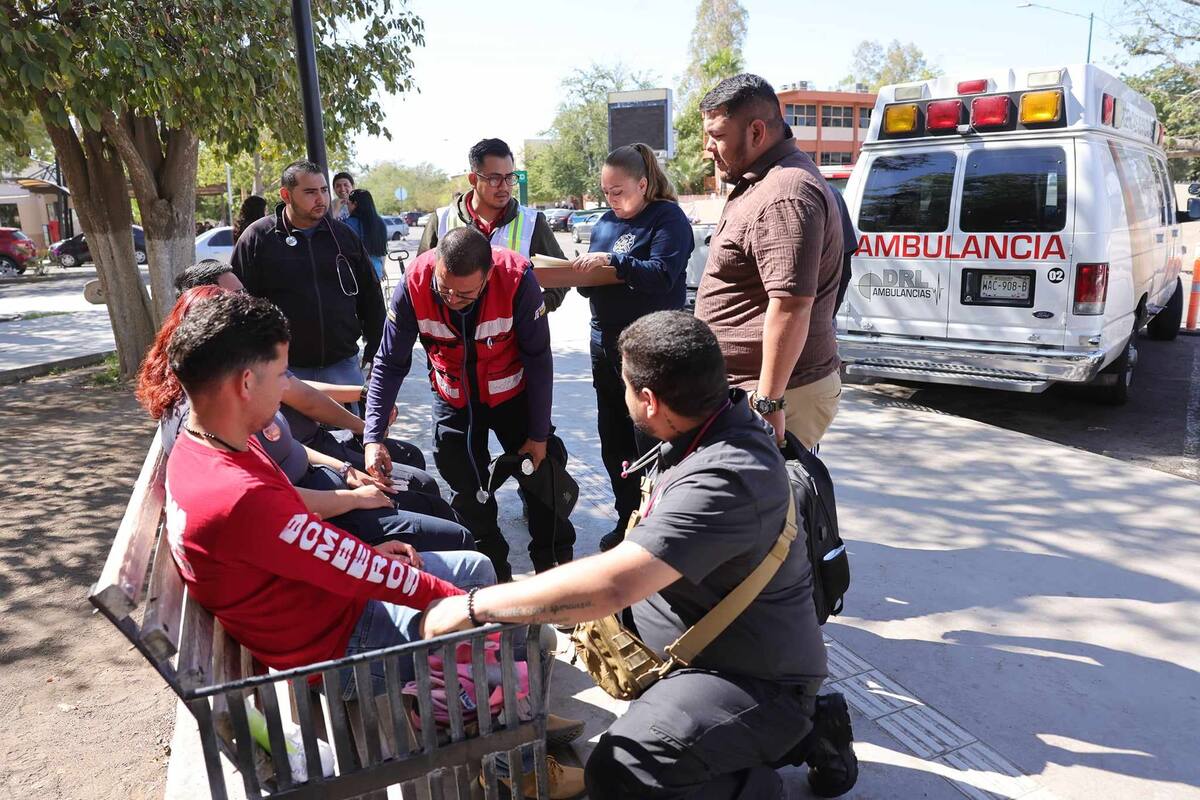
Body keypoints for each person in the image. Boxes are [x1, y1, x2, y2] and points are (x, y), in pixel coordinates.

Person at [422, 311, 855, 799]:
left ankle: (762, 776)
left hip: (751, 679)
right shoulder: (707, 427)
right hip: (703, 653)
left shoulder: (727, 476)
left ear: (648, 400)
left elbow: (612, 585)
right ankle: (790, 733)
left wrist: (474, 605)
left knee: (621, 772)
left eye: (624, 385)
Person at [139, 287, 472, 552]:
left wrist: (348, 467)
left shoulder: (217, 403)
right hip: (323, 511)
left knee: (424, 494)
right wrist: (355, 501)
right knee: (451, 533)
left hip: (323, 488)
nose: (284, 384)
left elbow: (300, 411)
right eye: (236, 306)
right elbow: (277, 508)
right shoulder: (219, 415)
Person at [364, 226, 575, 581]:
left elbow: (539, 360)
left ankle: (556, 572)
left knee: (544, 481)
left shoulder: (517, 279)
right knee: (467, 491)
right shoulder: (414, 284)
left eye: (464, 294)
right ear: (436, 266)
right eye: (443, 288)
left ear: (488, 275)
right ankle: (495, 578)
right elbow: (389, 362)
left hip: (515, 398)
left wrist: (538, 435)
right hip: (454, 400)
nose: (450, 299)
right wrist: (373, 436)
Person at [695, 74, 845, 450]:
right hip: (757, 391)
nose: (708, 148)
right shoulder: (763, 181)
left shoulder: (785, 194)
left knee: (766, 507)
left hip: (778, 397)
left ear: (757, 132)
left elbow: (792, 304)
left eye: (717, 136)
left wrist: (768, 401)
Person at [174, 260, 426, 472]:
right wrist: (352, 461)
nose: (246, 299)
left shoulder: (235, 352)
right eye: (236, 295)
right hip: (308, 462)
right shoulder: (222, 374)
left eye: (244, 291)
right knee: (414, 479)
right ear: (205, 308)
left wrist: (362, 396)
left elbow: (298, 387)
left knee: (410, 459)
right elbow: (306, 401)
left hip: (314, 447)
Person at [571, 143, 694, 551]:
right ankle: (626, 516)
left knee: (651, 439)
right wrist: (579, 275)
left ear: (643, 184)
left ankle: (656, 524)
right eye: (606, 192)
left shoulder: (667, 218)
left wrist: (614, 264)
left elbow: (661, 274)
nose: (612, 200)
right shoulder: (606, 223)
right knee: (613, 438)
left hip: (649, 345)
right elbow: (596, 278)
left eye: (619, 191)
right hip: (604, 343)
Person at [231, 160, 385, 394]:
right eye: (310, 192)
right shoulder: (258, 238)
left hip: (342, 365)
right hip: (282, 370)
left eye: (324, 190)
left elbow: (370, 295)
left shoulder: (343, 236)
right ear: (286, 194)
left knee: (349, 428)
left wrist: (376, 348)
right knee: (286, 432)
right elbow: (236, 303)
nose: (321, 199)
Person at [419, 138, 568, 313]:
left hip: (513, 338)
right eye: (494, 179)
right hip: (452, 336)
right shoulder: (441, 219)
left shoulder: (533, 222)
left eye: (509, 178)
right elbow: (420, 279)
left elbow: (562, 278)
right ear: (473, 179)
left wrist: (535, 310)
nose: (504, 187)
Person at [345, 188, 389, 280]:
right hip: (376, 272)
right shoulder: (380, 222)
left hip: (356, 274)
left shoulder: (348, 224)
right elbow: (383, 250)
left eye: (348, 203)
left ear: (355, 204)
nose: (347, 206)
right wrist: (382, 268)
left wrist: (335, 208)